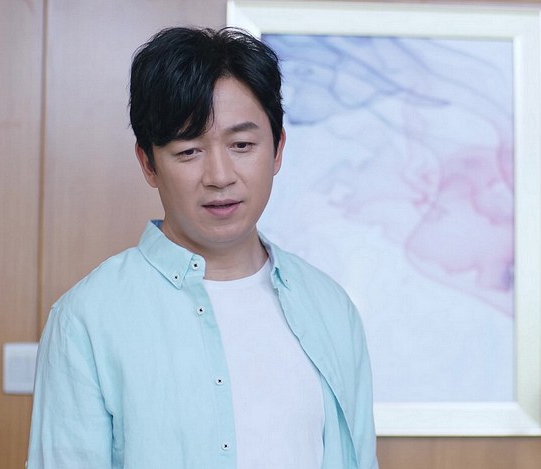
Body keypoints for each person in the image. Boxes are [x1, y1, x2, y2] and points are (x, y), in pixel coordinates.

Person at [26, 26, 378, 469]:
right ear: (148, 163)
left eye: (242, 145)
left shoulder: (330, 308)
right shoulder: (88, 320)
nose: (220, 176)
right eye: (189, 151)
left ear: (278, 149)